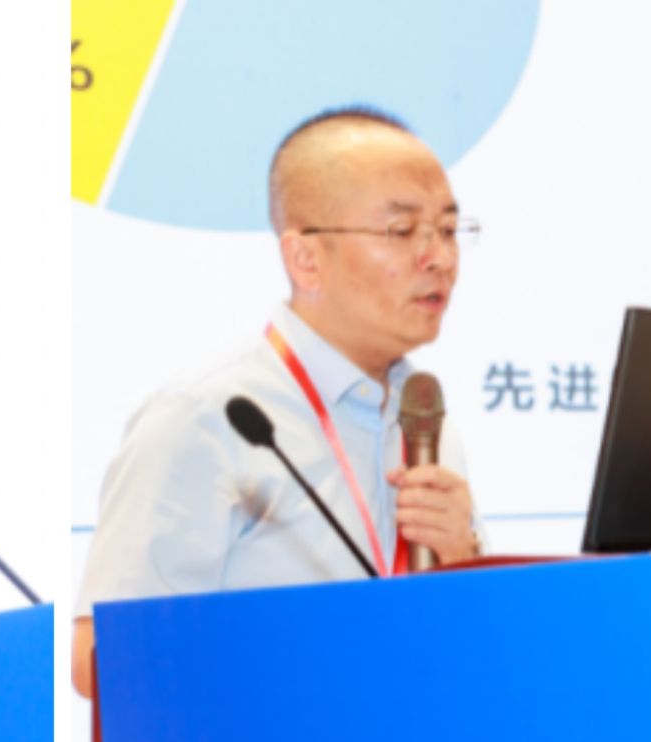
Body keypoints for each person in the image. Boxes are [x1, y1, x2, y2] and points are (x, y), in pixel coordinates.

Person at [72, 106, 482, 698]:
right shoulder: (207, 417)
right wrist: (308, 662)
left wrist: (464, 557)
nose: (439, 257)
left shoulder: (426, 422)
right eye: (401, 231)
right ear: (305, 258)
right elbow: (101, 662)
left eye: (447, 230)